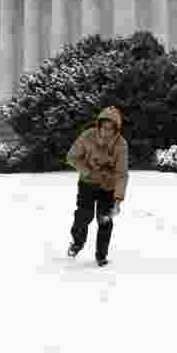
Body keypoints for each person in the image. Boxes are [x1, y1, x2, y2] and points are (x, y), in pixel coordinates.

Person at [65, 107, 129, 267]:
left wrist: (118, 200)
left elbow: (122, 173)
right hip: (87, 183)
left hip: (108, 187)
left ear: (116, 130)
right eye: (104, 127)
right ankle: (77, 243)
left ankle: (101, 255)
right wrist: (86, 171)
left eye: (110, 128)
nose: (106, 132)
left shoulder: (121, 145)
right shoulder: (87, 136)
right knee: (83, 216)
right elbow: (72, 157)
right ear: (98, 126)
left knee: (104, 220)